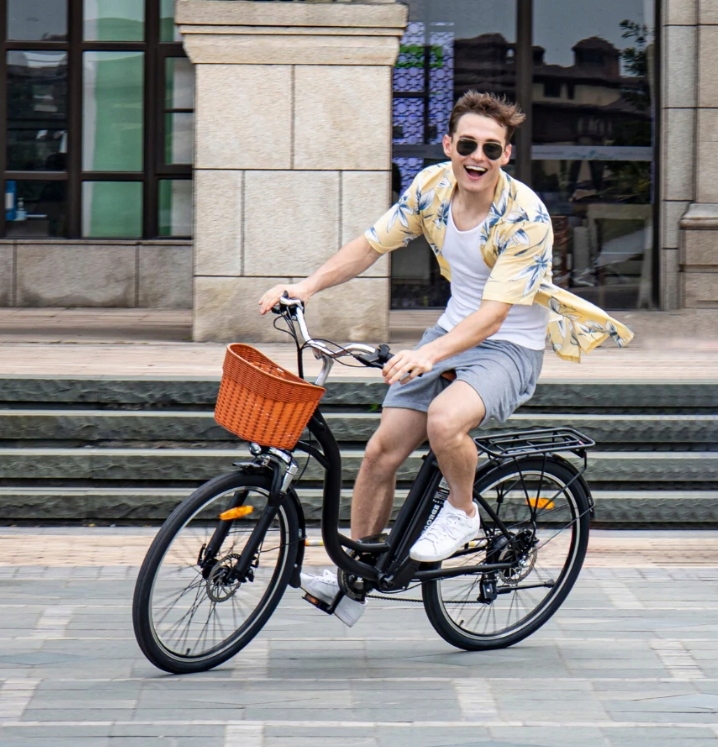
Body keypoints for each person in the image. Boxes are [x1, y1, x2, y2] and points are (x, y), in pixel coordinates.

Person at [259, 91, 633, 627]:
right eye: (467, 145)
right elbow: (371, 245)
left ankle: (462, 510)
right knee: (380, 452)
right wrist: (305, 286)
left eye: (491, 149)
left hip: (511, 346)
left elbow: (494, 317)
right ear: (448, 145)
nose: (477, 157)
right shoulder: (431, 187)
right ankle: (356, 580)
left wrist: (427, 353)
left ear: (506, 154)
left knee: (444, 420)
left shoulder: (525, 217)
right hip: (450, 331)